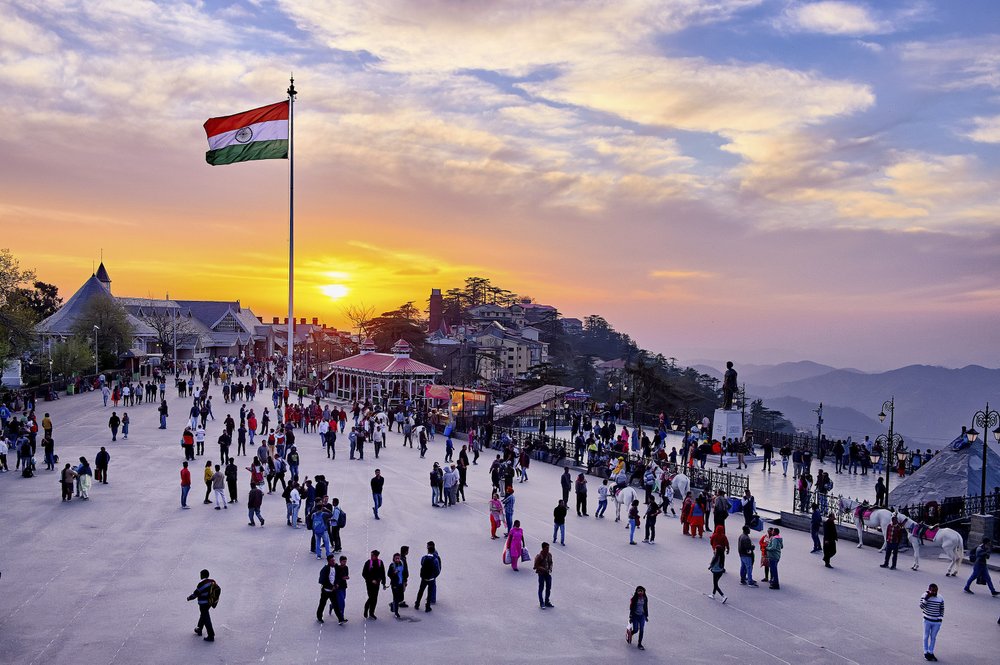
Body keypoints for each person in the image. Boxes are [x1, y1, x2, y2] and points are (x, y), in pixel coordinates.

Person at [186, 569, 218, 642]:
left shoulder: (202, 584)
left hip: (203, 603)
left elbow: (196, 594)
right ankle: (199, 629)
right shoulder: (212, 581)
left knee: (206, 618)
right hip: (209, 603)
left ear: (203, 575)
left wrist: (189, 598)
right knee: (203, 615)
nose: (200, 576)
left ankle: (211, 635)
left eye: (200, 574)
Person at [415, 540, 441, 612]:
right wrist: (434, 576)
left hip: (424, 578)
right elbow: (437, 569)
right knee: (429, 592)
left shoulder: (424, 557)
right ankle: (427, 607)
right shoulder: (435, 559)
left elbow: (422, 564)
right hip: (431, 578)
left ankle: (417, 604)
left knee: (421, 591)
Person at [920, 583, 944, 661]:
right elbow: (921, 606)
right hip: (927, 620)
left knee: (933, 637)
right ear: (929, 590)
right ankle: (926, 652)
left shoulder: (940, 598)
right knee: (926, 636)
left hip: (936, 622)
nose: (934, 592)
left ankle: (931, 652)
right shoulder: (924, 595)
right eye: (932, 591)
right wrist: (927, 598)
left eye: (935, 591)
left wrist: (940, 619)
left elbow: (942, 608)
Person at [361, 550, 386, 620]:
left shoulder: (380, 562)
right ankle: (366, 608)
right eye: (371, 555)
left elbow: (382, 573)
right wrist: (371, 580)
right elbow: (364, 573)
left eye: (373, 555)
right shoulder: (368, 563)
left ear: (376, 556)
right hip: (369, 584)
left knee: (375, 598)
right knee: (371, 597)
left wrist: (383, 583)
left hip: (377, 583)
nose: (371, 556)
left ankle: (372, 612)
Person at [709, 524, 729, 603]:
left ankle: (723, 596)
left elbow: (711, 542)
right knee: (716, 582)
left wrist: (710, 566)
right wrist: (728, 549)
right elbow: (727, 543)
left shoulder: (714, 535)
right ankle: (713, 594)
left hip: (716, 569)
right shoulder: (723, 536)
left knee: (715, 584)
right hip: (720, 566)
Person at [627, 586, 649, 650]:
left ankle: (639, 644)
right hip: (635, 616)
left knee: (642, 630)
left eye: (641, 591)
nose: (640, 592)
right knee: (636, 630)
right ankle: (630, 633)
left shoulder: (645, 598)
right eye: (639, 591)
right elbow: (631, 608)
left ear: (643, 591)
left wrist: (646, 616)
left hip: (642, 615)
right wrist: (631, 617)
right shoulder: (634, 599)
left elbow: (646, 607)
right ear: (636, 592)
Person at [533, 542, 554, 609]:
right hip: (541, 573)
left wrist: (550, 569)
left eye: (548, 548)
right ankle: (541, 602)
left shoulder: (549, 555)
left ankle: (547, 601)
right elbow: (536, 566)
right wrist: (543, 569)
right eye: (547, 548)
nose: (548, 549)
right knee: (541, 588)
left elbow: (551, 563)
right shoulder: (539, 556)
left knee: (548, 587)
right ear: (543, 548)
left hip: (547, 573)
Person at [317, 555, 337, 623]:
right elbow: (322, 580)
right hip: (326, 590)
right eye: (332, 561)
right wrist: (331, 586)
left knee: (335, 604)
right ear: (328, 561)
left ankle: (340, 618)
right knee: (322, 604)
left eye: (334, 560)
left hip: (333, 590)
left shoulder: (335, 567)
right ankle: (319, 617)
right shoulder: (325, 569)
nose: (334, 562)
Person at [332, 555, 350, 624]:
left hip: (344, 586)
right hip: (338, 587)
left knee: (342, 599)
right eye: (343, 561)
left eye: (345, 561)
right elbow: (335, 577)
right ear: (340, 561)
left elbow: (346, 575)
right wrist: (341, 579)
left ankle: (332, 605)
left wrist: (346, 577)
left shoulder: (346, 567)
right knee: (342, 602)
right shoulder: (337, 568)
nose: (345, 563)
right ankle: (341, 617)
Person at [388, 553, 406, 618]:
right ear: (394, 559)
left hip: (401, 583)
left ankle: (393, 604)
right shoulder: (392, 565)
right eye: (396, 558)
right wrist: (394, 573)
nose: (398, 559)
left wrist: (405, 582)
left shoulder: (402, 564)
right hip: (395, 584)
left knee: (401, 598)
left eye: (398, 558)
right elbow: (389, 574)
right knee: (396, 597)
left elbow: (404, 573)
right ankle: (396, 612)